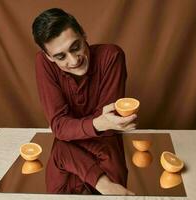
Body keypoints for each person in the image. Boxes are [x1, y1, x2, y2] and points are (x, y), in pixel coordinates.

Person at [32, 8, 137, 195]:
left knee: (63, 146)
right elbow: (59, 126)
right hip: (64, 164)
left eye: (75, 47)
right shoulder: (43, 63)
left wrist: (72, 131)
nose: (73, 61)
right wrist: (97, 123)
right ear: (48, 57)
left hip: (101, 155)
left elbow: (107, 128)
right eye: (60, 56)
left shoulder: (111, 56)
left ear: (83, 34)